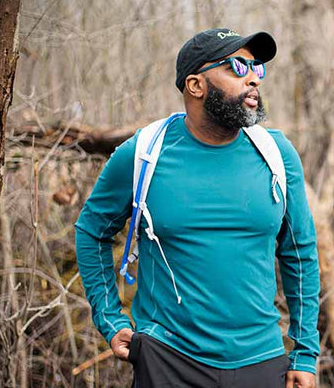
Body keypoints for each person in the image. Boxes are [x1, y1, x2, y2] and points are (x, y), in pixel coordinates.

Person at [75, 28, 319, 388]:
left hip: (262, 360)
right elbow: (91, 232)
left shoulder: (277, 156)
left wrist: (305, 352)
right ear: (195, 85)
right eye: (237, 67)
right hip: (168, 359)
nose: (253, 77)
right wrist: (111, 320)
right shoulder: (144, 154)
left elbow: (300, 254)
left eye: (257, 68)